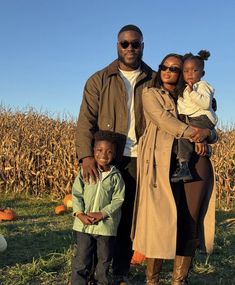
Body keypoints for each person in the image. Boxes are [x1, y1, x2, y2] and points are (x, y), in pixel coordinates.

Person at [75, 24, 157, 284]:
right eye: (125, 43)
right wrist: (86, 156)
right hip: (104, 158)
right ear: (117, 46)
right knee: (95, 218)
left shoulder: (153, 79)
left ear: (142, 46)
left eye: (135, 43)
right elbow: (85, 121)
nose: (130, 48)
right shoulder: (99, 79)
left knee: (127, 218)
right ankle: (90, 273)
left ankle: (120, 272)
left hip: (139, 158)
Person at [131, 53, 217, 285]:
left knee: (189, 220)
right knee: (160, 222)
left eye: (175, 68)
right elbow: (164, 121)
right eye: (164, 67)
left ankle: (178, 280)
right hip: (161, 165)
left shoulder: (191, 94)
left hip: (196, 163)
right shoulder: (150, 93)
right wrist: (196, 134)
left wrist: (209, 134)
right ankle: (153, 280)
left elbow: (210, 120)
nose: (169, 71)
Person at [71, 130, 125, 285]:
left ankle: (100, 282)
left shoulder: (116, 176)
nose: (104, 155)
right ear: (93, 151)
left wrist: (103, 214)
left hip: (106, 227)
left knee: (104, 259)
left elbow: (118, 199)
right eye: (99, 150)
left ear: (114, 154)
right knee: (82, 258)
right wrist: (79, 214)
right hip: (84, 226)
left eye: (109, 152)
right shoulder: (84, 172)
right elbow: (76, 194)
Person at [171, 50, 218, 183]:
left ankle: (183, 166)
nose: (190, 74)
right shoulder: (186, 88)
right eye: (186, 71)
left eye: (194, 70)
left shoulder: (201, 86)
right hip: (195, 118)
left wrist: (192, 93)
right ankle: (183, 166)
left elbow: (205, 103)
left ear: (202, 73)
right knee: (183, 137)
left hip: (201, 118)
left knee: (184, 135)